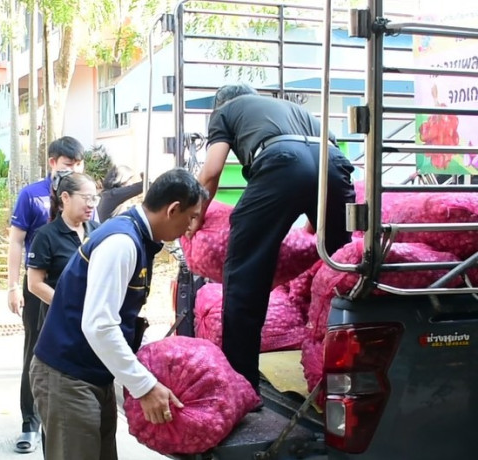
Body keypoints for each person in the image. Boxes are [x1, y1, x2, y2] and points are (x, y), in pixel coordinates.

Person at [30, 168, 208, 459]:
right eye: (191, 217)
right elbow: (99, 326)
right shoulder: (122, 242)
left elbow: (120, 315)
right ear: (173, 209)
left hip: (93, 375)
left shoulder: (138, 238)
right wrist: (144, 387)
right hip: (68, 377)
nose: (190, 227)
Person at [189, 83, 356, 393]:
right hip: (334, 165)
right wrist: (314, 227)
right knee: (344, 269)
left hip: (282, 163)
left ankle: (242, 387)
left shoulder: (225, 111)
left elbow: (211, 172)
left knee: (244, 277)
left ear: (219, 105)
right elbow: (317, 169)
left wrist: (194, 216)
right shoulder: (293, 110)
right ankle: (353, 366)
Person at [7, 135, 85, 453]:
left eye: (78, 164)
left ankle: (63, 421)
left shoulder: (84, 195)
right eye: (68, 164)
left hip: (76, 288)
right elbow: (16, 241)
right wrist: (13, 286)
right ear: (53, 162)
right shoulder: (32, 195)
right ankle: (30, 423)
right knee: (35, 352)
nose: (73, 169)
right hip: (39, 286)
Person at [27, 172, 100, 329]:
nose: (91, 205)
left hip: (93, 321)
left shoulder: (98, 231)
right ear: (66, 197)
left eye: (94, 199)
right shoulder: (46, 235)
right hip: (60, 323)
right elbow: (34, 284)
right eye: (86, 198)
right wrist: (68, 306)